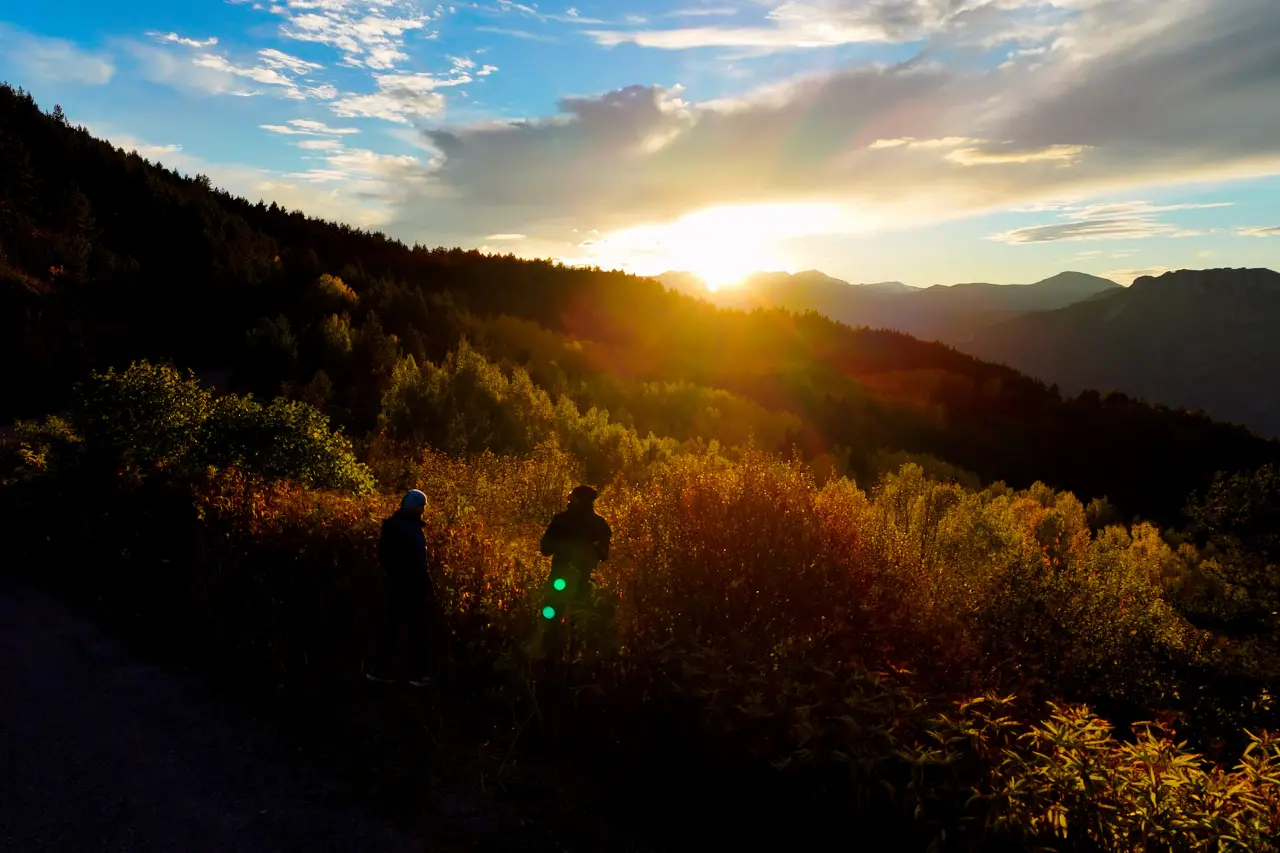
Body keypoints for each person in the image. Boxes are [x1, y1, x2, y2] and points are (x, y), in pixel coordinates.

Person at [366, 489, 437, 687]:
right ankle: (419, 675)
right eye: (422, 506)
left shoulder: (390, 526)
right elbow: (419, 563)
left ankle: (378, 670)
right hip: (412, 588)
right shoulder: (413, 531)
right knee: (418, 632)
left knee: (390, 629)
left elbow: (383, 557)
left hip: (392, 586)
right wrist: (429, 588)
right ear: (419, 508)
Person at [539, 485, 611, 622]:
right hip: (585, 579)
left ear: (579, 500)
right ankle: (576, 640)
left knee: (551, 613)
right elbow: (604, 555)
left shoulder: (561, 520)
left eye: (572, 496)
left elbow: (545, 550)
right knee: (580, 619)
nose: (568, 498)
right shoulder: (600, 523)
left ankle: (549, 636)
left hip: (560, 577)